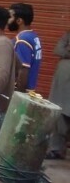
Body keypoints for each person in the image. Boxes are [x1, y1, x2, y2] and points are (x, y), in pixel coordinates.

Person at [8, 3, 43, 92]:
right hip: (29, 90)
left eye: (10, 17)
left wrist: (18, 95)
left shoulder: (22, 40)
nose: (7, 20)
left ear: (19, 21)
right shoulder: (33, 36)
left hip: (21, 92)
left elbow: (23, 69)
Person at [47, 31, 70, 160]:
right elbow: (58, 50)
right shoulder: (68, 34)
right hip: (63, 85)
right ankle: (57, 149)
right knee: (60, 117)